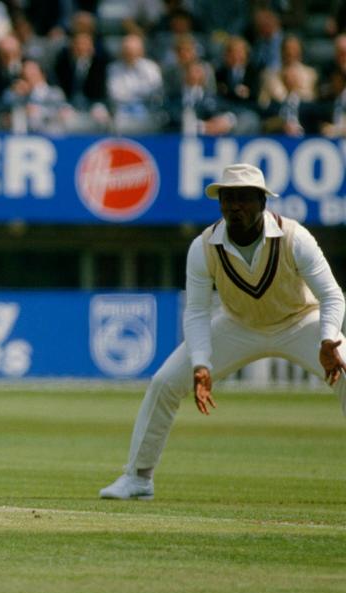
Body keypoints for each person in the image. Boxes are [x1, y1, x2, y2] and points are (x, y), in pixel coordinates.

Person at [99, 163, 346, 501]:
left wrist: (328, 339)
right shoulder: (203, 247)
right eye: (228, 199)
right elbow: (198, 311)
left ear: (262, 202)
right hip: (237, 325)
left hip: (299, 321)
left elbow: (332, 295)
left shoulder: (294, 238)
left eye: (244, 198)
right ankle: (138, 479)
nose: (235, 207)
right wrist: (201, 364)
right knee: (164, 383)